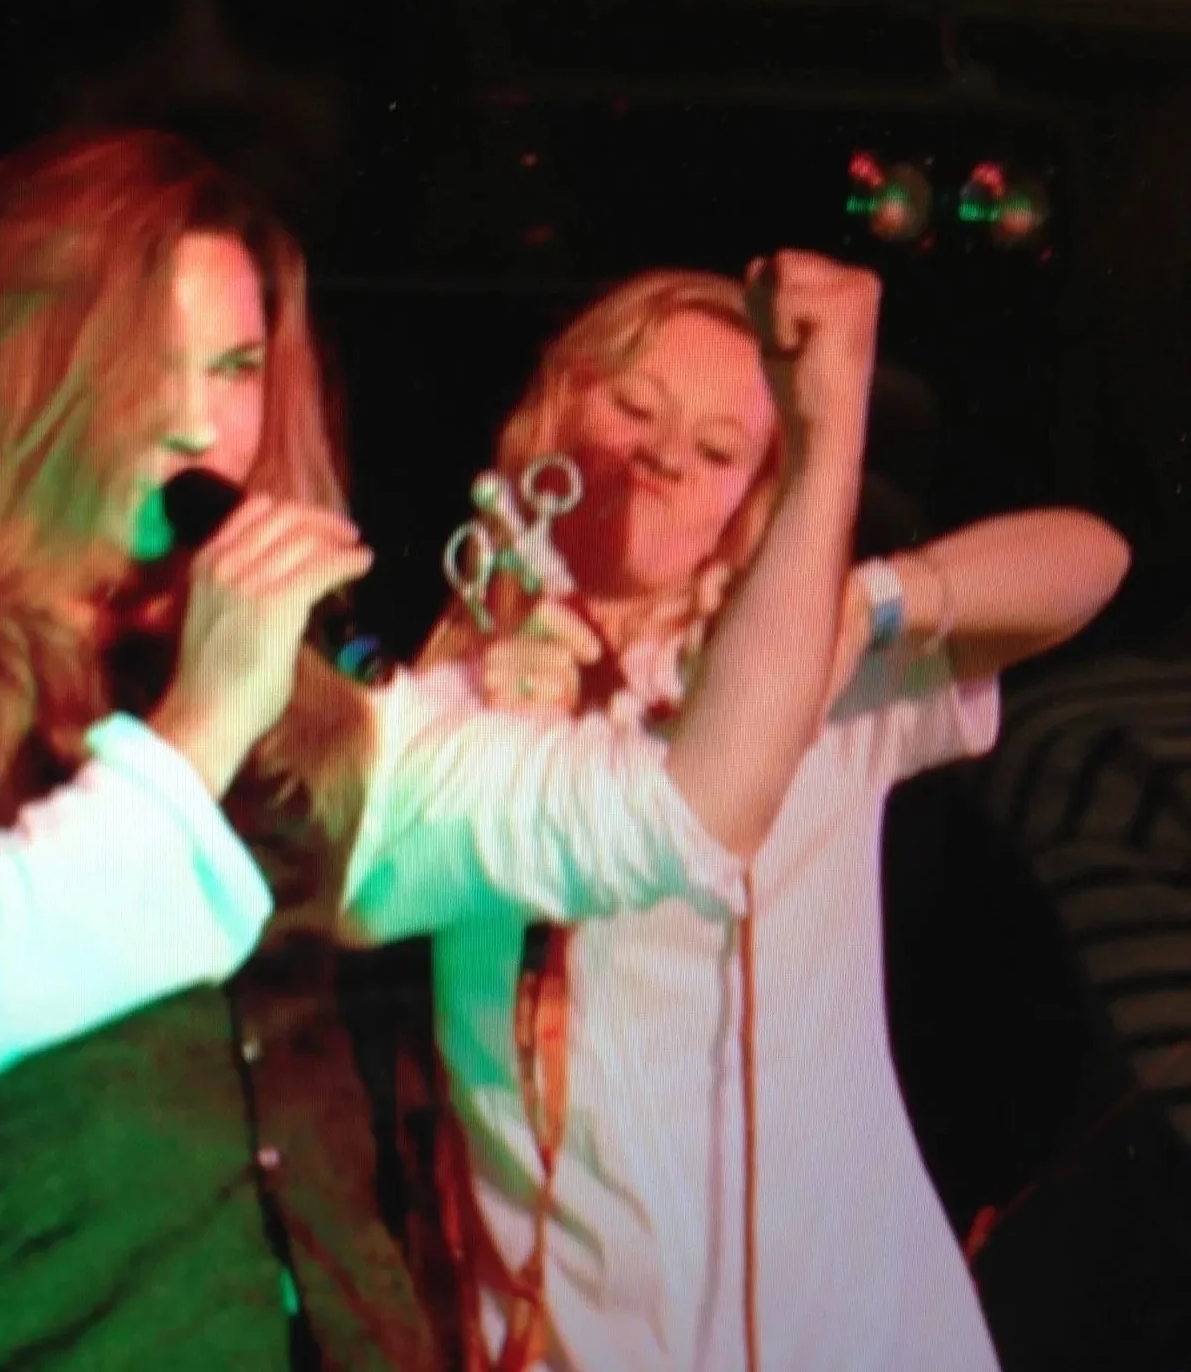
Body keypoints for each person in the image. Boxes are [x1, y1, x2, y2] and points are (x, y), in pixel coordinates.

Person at [0, 126, 875, 1371]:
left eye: (236, 368)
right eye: (149, 364)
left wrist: (828, 435)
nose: (201, 424)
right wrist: (206, 718)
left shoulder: (276, 694)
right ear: (16, 363)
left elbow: (683, 815)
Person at [418, 266, 1132, 1371]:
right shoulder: (445, 698)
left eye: (716, 451)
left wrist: (861, 602)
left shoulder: (807, 675)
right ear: (555, 407)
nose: (661, 459)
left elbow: (1090, 560)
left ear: (757, 492)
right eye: (634, 407)